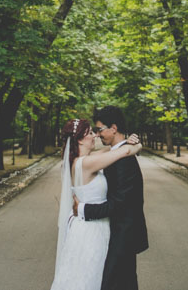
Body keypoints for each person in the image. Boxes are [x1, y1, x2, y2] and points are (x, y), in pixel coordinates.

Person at [51, 118, 142, 290]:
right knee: (91, 275)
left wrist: (127, 143)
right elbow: (122, 152)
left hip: (85, 226)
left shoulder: (82, 159)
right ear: (79, 139)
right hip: (93, 229)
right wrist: (137, 146)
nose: (95, 136)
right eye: (90, 133)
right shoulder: (86, 163)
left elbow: (113, 148)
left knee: (84, 275)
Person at [74, 106, 148, 290]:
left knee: (115, 282)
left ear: (113, 128)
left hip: (123, 234)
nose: (98, 135)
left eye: (99, 130)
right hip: (114, 231)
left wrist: (84, 209)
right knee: (122, 282)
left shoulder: (124, 159)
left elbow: (121, 203)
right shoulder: (117, 153)